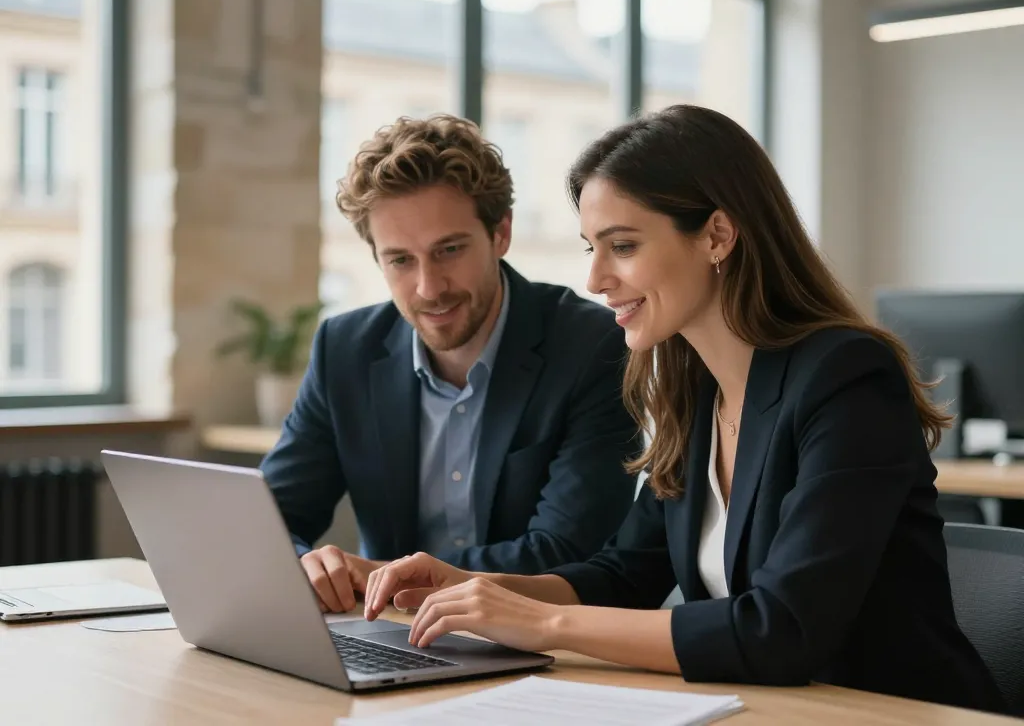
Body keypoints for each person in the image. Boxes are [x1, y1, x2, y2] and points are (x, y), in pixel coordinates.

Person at [360, 105, 1006, 714]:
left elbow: (782, 629)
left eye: (623, 246)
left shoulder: (845, 379)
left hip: (895, 717)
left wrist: (543, 623)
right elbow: (623, 575)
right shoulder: (697, 389)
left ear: (717, 235)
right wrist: (475, 589)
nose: (596, 280)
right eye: (592, 248)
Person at [260, 114, 641, 616]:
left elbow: (566, 551)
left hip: (538, 643)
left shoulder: (592, 344)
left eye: (450, 250)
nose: (429, 287)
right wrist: (303, 565)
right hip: (392, 634)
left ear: (500, 233)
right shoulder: (344, 349)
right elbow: (268, 521)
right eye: (400, 260)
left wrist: (381, 577)